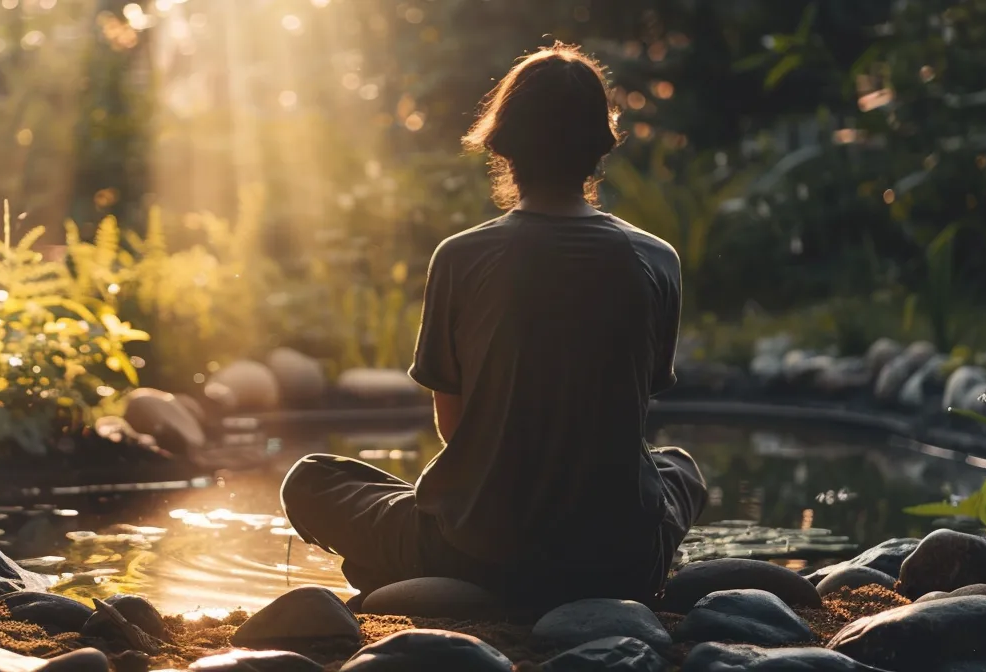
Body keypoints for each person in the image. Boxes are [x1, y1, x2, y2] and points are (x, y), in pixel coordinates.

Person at [279, 42, 707, 613]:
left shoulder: (461, 257)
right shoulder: (658, 259)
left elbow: (454, 428)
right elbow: (624, 420)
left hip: (476, 553)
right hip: (619, 562)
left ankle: (416, 573)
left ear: (502, 144)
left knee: (311, 480)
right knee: (680, 469)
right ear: (600, 147)